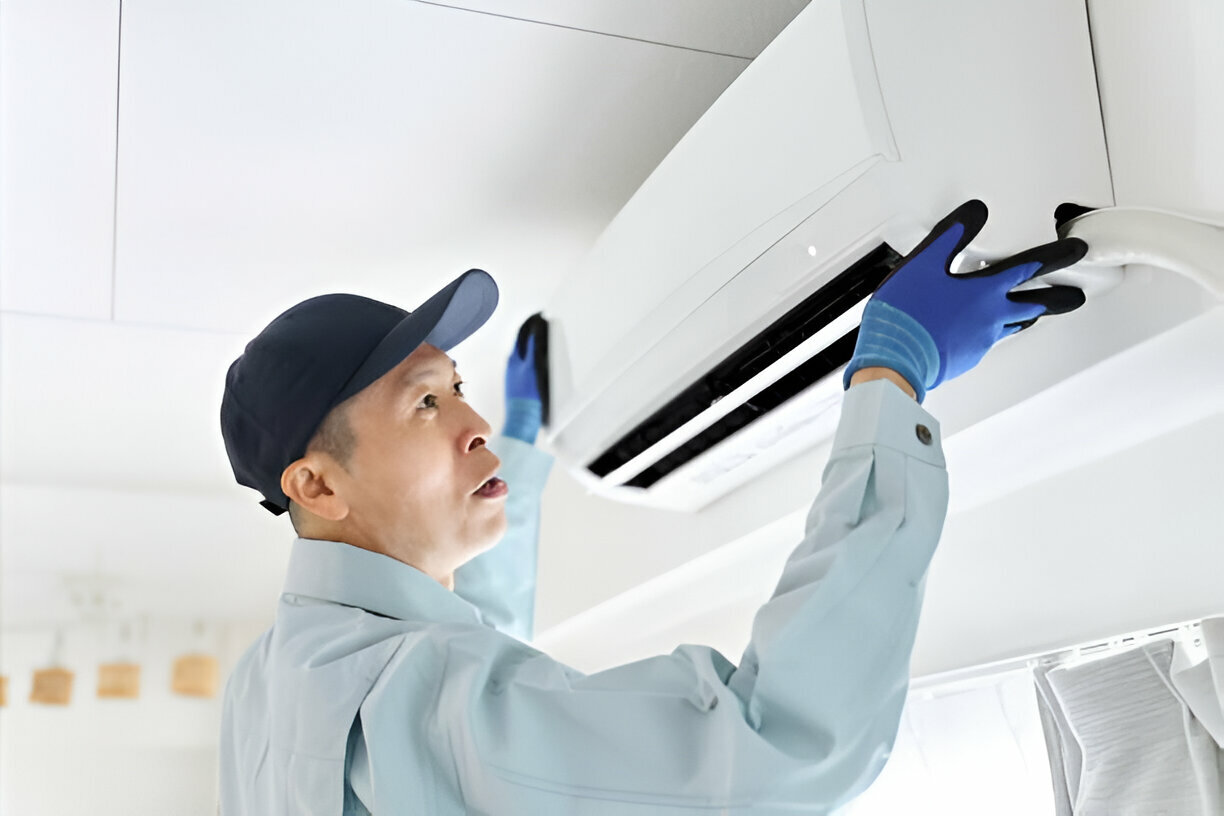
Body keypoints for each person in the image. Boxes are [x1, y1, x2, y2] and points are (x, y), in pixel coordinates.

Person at [217, 200, 1087, 814]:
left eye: (461, 389)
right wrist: (890, 381)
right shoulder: (411, 692)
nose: (474, 421)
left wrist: (520, 443)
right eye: (425, 403)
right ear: (319, 486)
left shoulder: (275, 680)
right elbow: (778, 753)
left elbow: (468, 632)